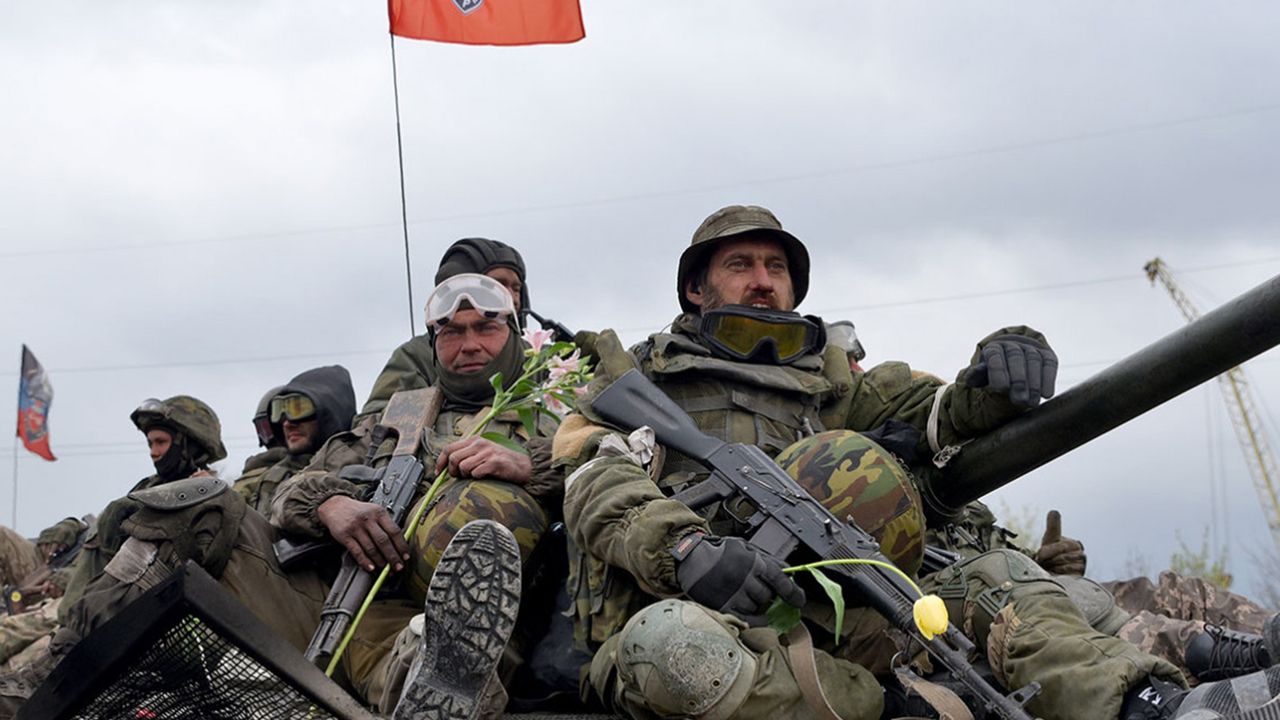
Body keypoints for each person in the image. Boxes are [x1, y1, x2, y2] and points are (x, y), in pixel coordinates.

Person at [550, 204, 1278, 720]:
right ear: (695, 287)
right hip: (712, 614)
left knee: (1001, 579)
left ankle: (1153, 706)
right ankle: (901, 704)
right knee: (672, 651)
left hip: (856, 614)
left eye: (776, 267)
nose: (763, 280)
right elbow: (593, 477)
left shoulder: (837, 386)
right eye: (740, 265)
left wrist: (1002, 367)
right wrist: (684, 547)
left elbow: (940, 414)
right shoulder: (639, 384)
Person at [272, 273, 558, 717]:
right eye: (452, 332)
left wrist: (531, 464)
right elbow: (285, 492)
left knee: (478, 511)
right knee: (199, 505)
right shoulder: (395, 419)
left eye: (486, 328)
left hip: (499, 618)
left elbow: (621, 465)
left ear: (514, 334)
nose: (469, 345)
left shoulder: (554, 413)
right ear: (433, 343)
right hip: (368, 600)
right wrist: (330, 504)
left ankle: (440, 669)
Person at [356, 237, 535, 425]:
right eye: (498, 284)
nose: (511, 297)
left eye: (516, 288)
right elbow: (373, 424)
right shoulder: (417, 355)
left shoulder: (537, 357)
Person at [232, 367, 356, 515]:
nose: (287, 424)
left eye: (300, 409)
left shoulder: (359, 465)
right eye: (279, 412)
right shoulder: (272, 476)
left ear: (328, 413)